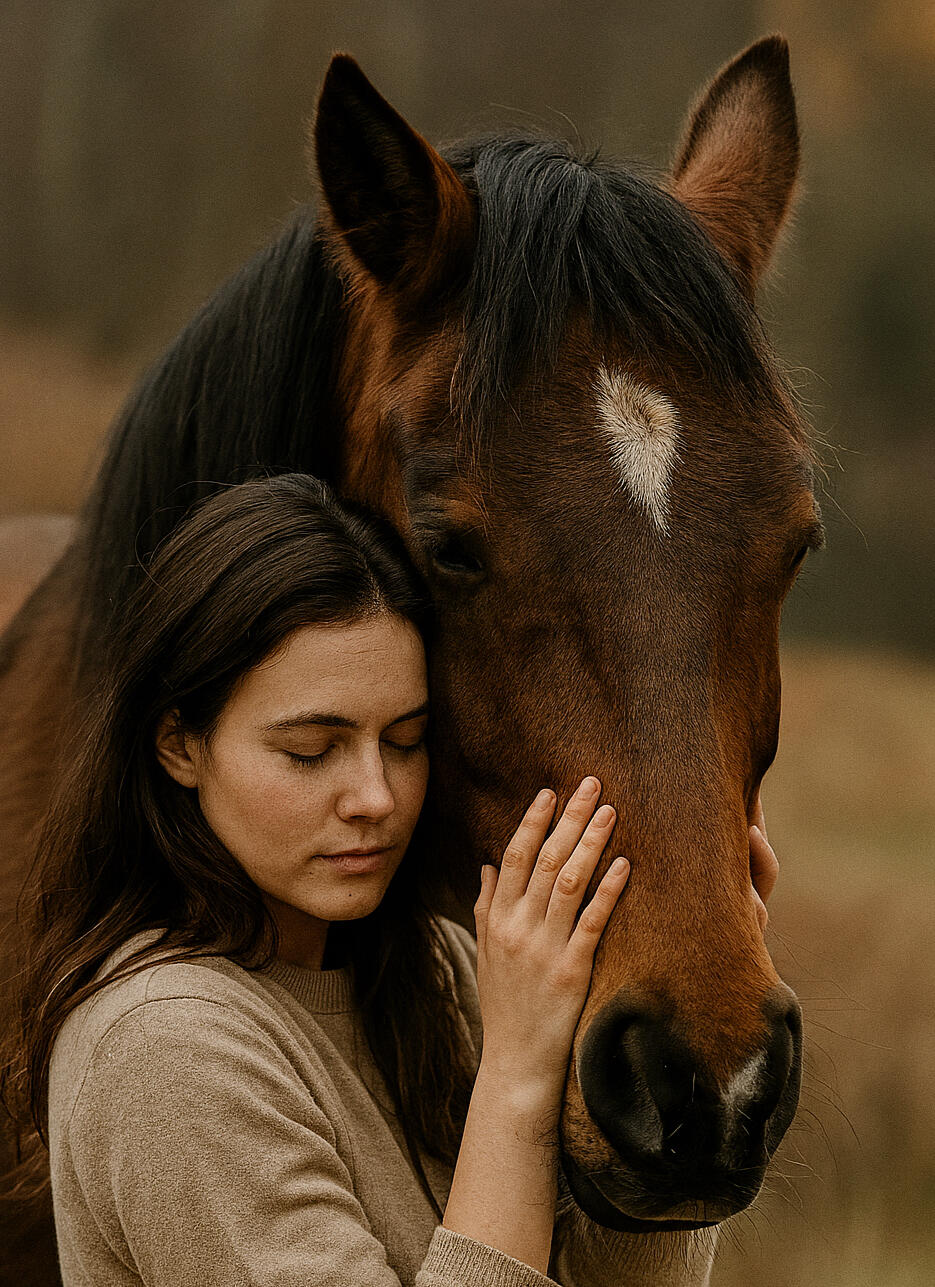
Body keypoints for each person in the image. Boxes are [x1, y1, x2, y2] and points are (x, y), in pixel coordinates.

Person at [2, 473, 779, 1286]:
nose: (375, 797)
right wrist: (514, 1077)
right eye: (311, 750)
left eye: (404, 740)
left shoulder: (446, 973)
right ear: (179, 745)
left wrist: (673, 1096)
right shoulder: (163, 1049)